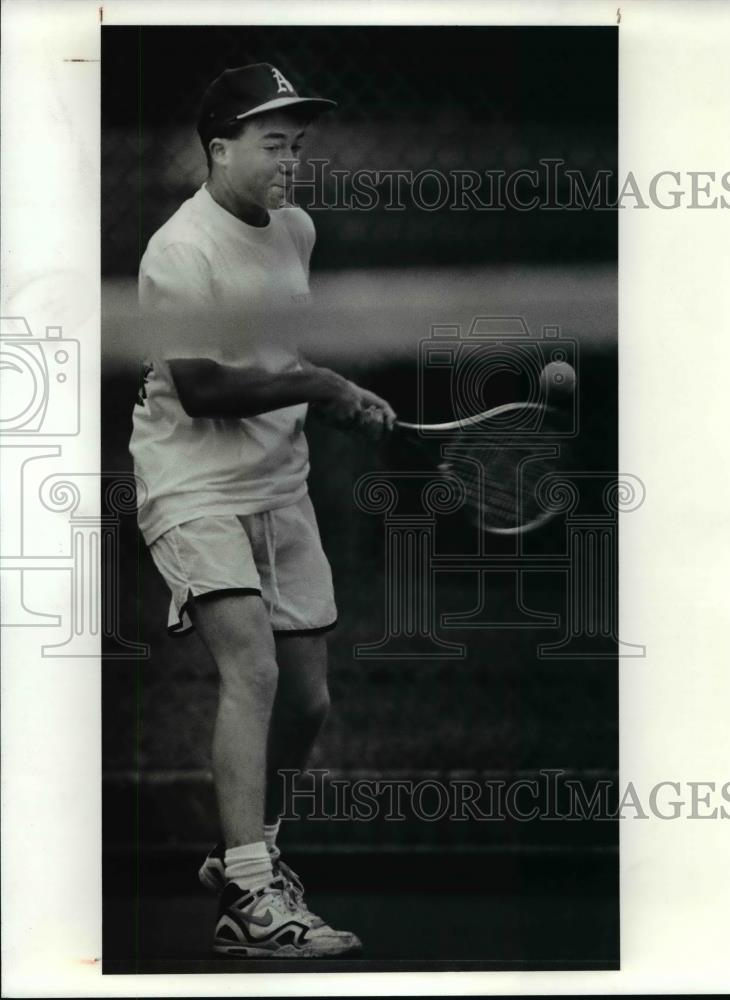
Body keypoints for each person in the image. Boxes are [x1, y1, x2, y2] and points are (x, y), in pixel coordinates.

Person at [129, 62, 396, 958]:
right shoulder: (179, 251)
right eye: (273, 142)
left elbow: (281, 352)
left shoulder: (296, 232)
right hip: (191, 482)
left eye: (298, 143)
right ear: (219, 150)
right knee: (254, 670)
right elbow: (203, 388)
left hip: (280, 483)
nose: (291, 159)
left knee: (308, 700)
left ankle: (247, 853)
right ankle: (250, 895)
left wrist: (337, 398)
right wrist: (320, 383)